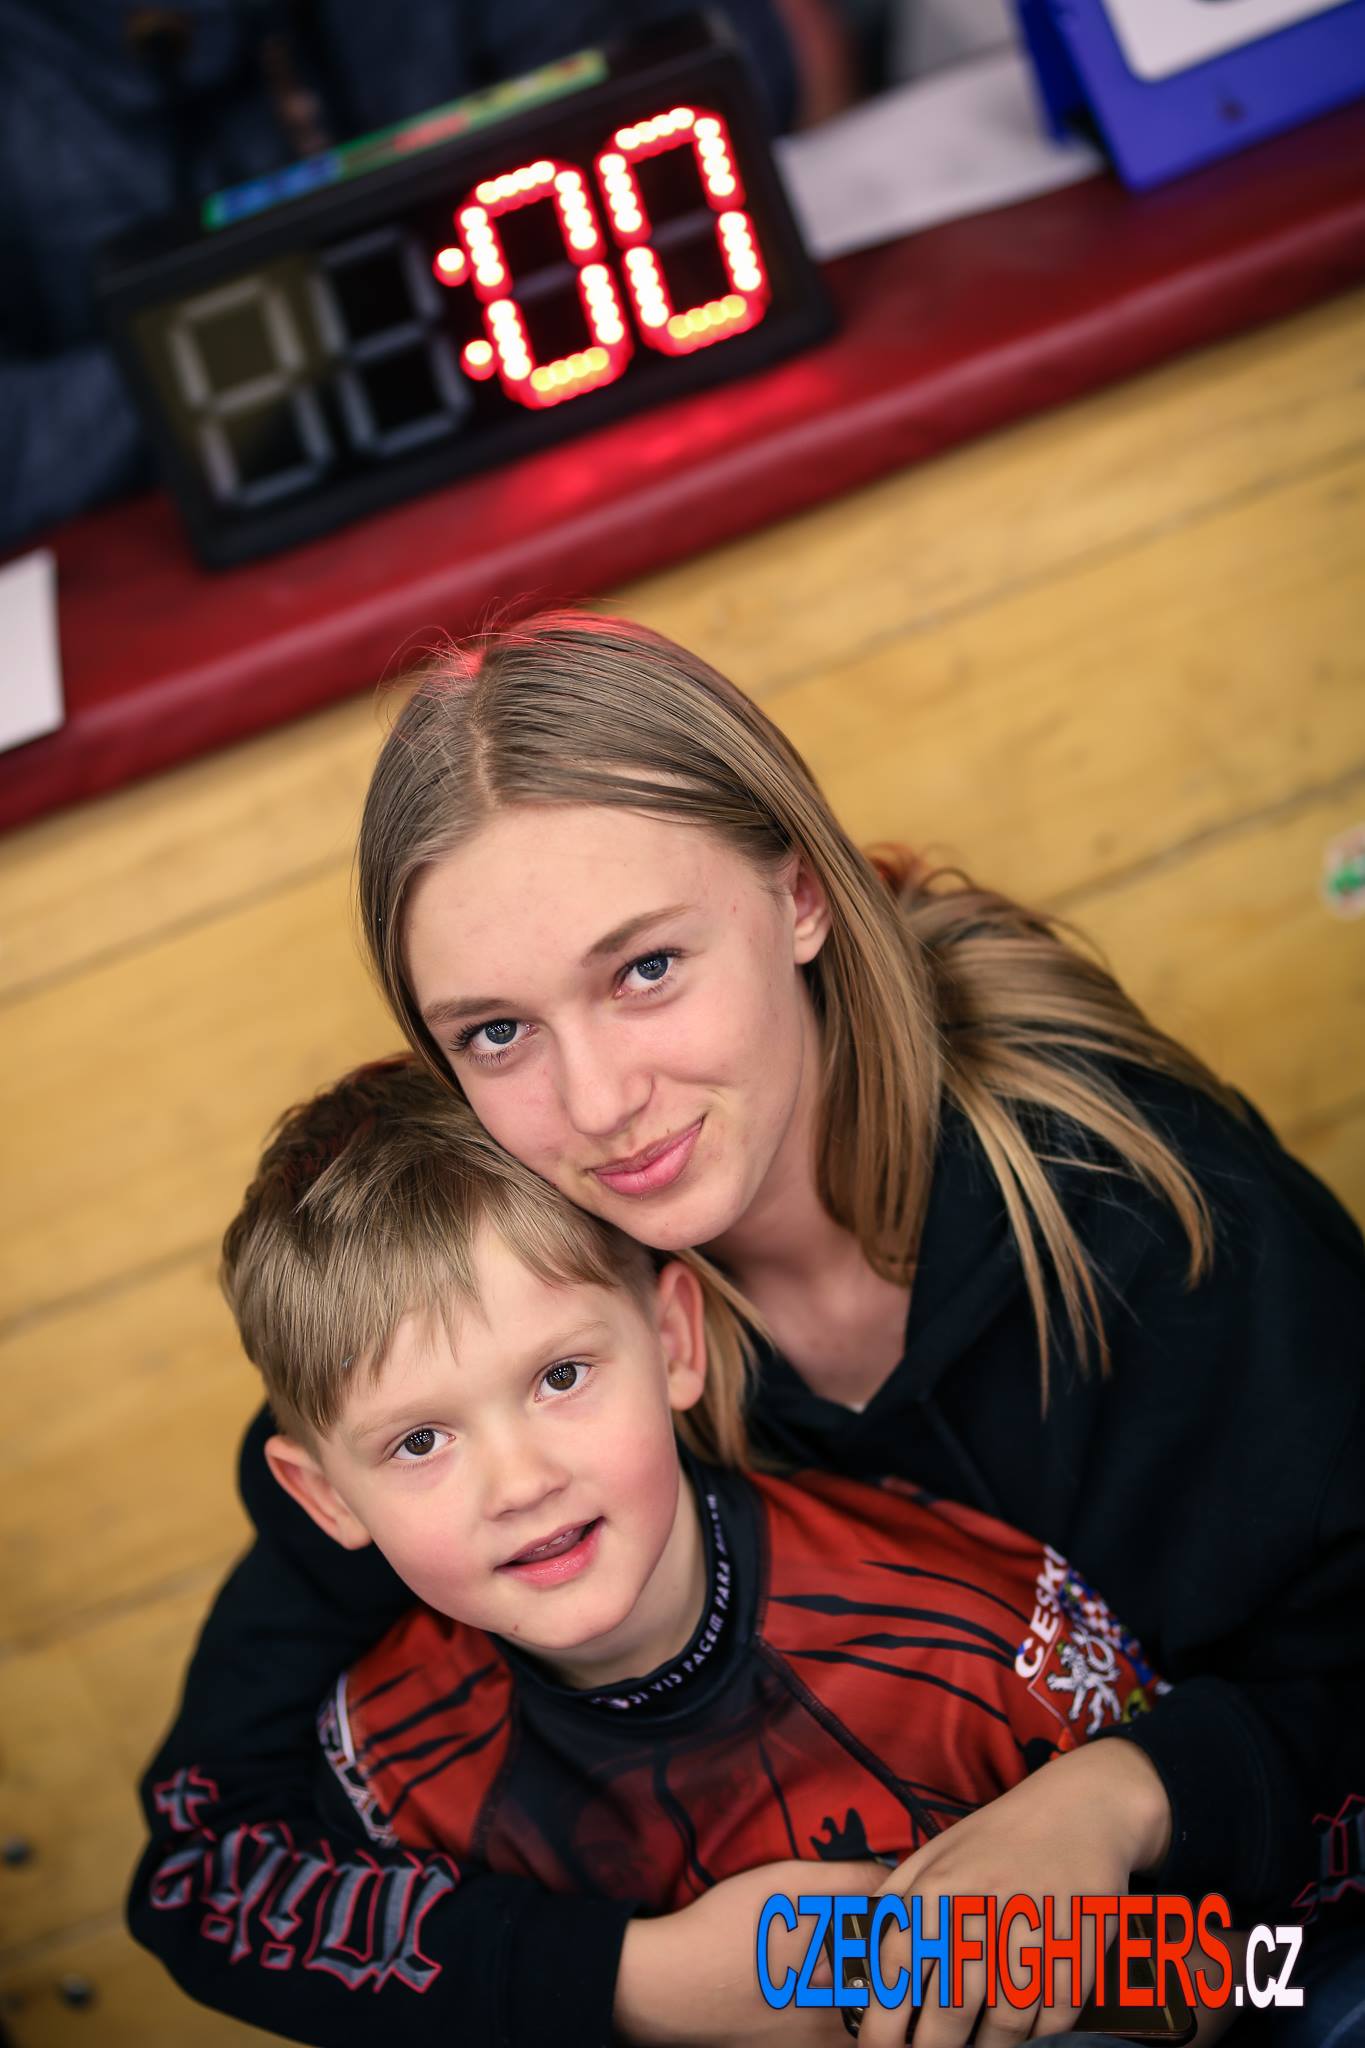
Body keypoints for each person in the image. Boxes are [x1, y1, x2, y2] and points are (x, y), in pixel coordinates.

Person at [128, 613, 1365, 2048]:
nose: (600, 1102)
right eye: (498, 1034)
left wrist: (1124, 1794)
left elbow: (1253, 1928)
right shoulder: (478, 1357)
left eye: (646, 968)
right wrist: (641, 1983)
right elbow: (206, 1864)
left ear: (799, 896)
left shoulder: (1161, 1226)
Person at [217, 1053, 1219, 2041]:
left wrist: (964, 1976)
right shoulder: (377, 1762)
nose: (519, 1482)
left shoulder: (975, 1631)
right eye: (420, 1441)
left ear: (674, 1345)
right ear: (324, 1496)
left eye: (561, 1376)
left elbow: (1242, 1967)